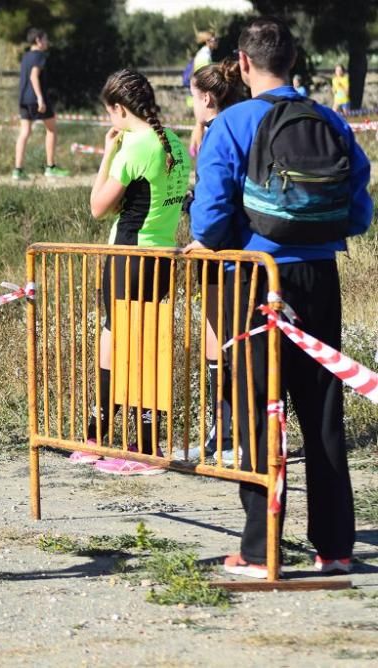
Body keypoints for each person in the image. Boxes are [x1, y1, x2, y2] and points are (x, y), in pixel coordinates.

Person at [186, 17, 372, 579]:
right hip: (318, 276)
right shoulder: (331, 121)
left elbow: (213, 216)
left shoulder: (233, 122)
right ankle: (336, 547)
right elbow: (359, 212)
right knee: (322, 412)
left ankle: (258, 545)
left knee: (255, 410)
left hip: (253, 281)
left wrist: (207, 241)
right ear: (294, 62)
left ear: (242, 64)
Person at [73, 68, 190, 475]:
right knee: (147, 346)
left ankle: (101, 434)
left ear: (119, 108)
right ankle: (145, 441)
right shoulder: (174, 141)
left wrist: (107, 154)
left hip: (129, 256)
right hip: (162, 257)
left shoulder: (137, 146)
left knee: (115, 340)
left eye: (111, 114)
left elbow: (97, 206)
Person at [188, 60, 247, 462]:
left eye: (192, 97)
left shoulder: (217, 133)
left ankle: (222, 425)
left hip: (218, 248)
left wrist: (197, 221)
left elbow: (213, 199)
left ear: (207, 97)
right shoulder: (249, 123)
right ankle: (246, 423)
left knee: (218, 333)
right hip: (253, 246)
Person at [13, 28, 68, 180]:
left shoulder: (26, 56)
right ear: (38, 40)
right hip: (35, 99)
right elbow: (33, 77)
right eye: (45, 39)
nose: (47, 42)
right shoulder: (39, 56)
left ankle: (18, 170)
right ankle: (50, 167)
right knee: (51, 130)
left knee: (24, 133)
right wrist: (40, 98)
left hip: (23, 99)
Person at [188, 30, 219, 157]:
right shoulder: (205, 56)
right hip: (204, 94)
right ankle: (200, 152)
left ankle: (197, 151)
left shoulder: (202, 54)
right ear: (208, 41)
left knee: (200, 125)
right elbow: (206, 76)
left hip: (200, 93)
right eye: (215, 40)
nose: (217, 42)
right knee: (202, 125)